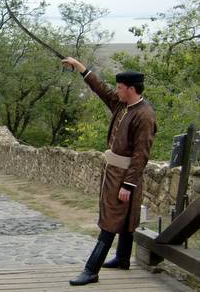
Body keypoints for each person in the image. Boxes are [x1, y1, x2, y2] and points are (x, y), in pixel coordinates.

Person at [61, 57, 157, 286]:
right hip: (114, 172)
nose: (116, 91)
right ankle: (123, 258)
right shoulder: (123, 105)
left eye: (120, 88)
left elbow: (140, 154)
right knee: (123, 217)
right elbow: (101, 89)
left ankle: (91, 270)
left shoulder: (144, 115)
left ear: (131, 89)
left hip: (125, 176)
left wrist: (128, 184)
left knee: (110, 221)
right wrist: (80, 67)